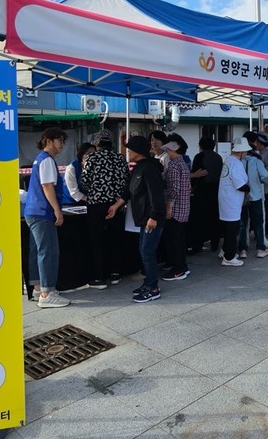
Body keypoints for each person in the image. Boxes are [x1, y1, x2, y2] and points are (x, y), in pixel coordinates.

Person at [107, 136, 166, 303]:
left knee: (147, 252)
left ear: (138, 151)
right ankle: (148, 282)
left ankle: (153, 288)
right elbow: (128, 191)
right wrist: (115, 206)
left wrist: (154, 217)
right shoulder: (138, 168)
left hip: (151, 219)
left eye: (130, 149)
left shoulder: (150, 169)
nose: (128, 152)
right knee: (143, 250)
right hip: (143, 218)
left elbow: (156, 195)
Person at [24, 127, 70, 308]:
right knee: (48, 251)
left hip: (33, 211)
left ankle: (38, 288)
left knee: (37, 251)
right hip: (42, 212)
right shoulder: (47, 160)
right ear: (49, 141)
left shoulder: (40, 159)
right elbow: (47, 186)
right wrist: (57, 210)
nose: (62, 145)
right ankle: (47, 293)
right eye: (60, 140)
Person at [81, 132, 129, 289]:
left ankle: (99, 277)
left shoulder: (92, 158)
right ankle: (115, 273)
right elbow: (126, 180)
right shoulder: (120, 158)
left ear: (97, 144)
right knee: (115, 238)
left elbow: (85, 180)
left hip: (96, 204)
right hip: (116, 203)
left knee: (97, 240)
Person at [160, 139, 192, 281]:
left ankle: (178, 270)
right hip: (184, 207)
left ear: (173, 149)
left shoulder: (173, 165)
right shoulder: (183, 163)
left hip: (176, 209)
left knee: (174, 240)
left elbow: (174, 189)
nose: (167, 152)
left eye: (168, 150)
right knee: (179, 239)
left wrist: (169, 207)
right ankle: (183, 267)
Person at [187, 136, 223, 254]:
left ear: (201, 146)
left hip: (202, 191)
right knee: (214, 218)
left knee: (199, 220)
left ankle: (198, 245)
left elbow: (195, 174)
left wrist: (192, 187)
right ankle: (214, 244)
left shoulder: (199, 157)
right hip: (216, 190)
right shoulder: (218, 157)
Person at [218, 137, 251, 267]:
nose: (246, 153)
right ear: (241, 151)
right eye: (245, 151)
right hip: (232, 201)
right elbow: (240, 185)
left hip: (225, 199)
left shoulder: (228, 160)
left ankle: (225, 251)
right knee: (233, 230)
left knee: (228, 229)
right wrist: (249, 189)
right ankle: (229, 257)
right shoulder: (237, 164)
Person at [238, 145, 268, 258]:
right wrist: (261, 180)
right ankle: (260, 249)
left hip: (242, 197)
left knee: (242, 224)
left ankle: (242, 250)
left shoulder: (238, 162)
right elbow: (266, 176)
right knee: (258, 223)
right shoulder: (257, 162)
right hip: (256, 196)